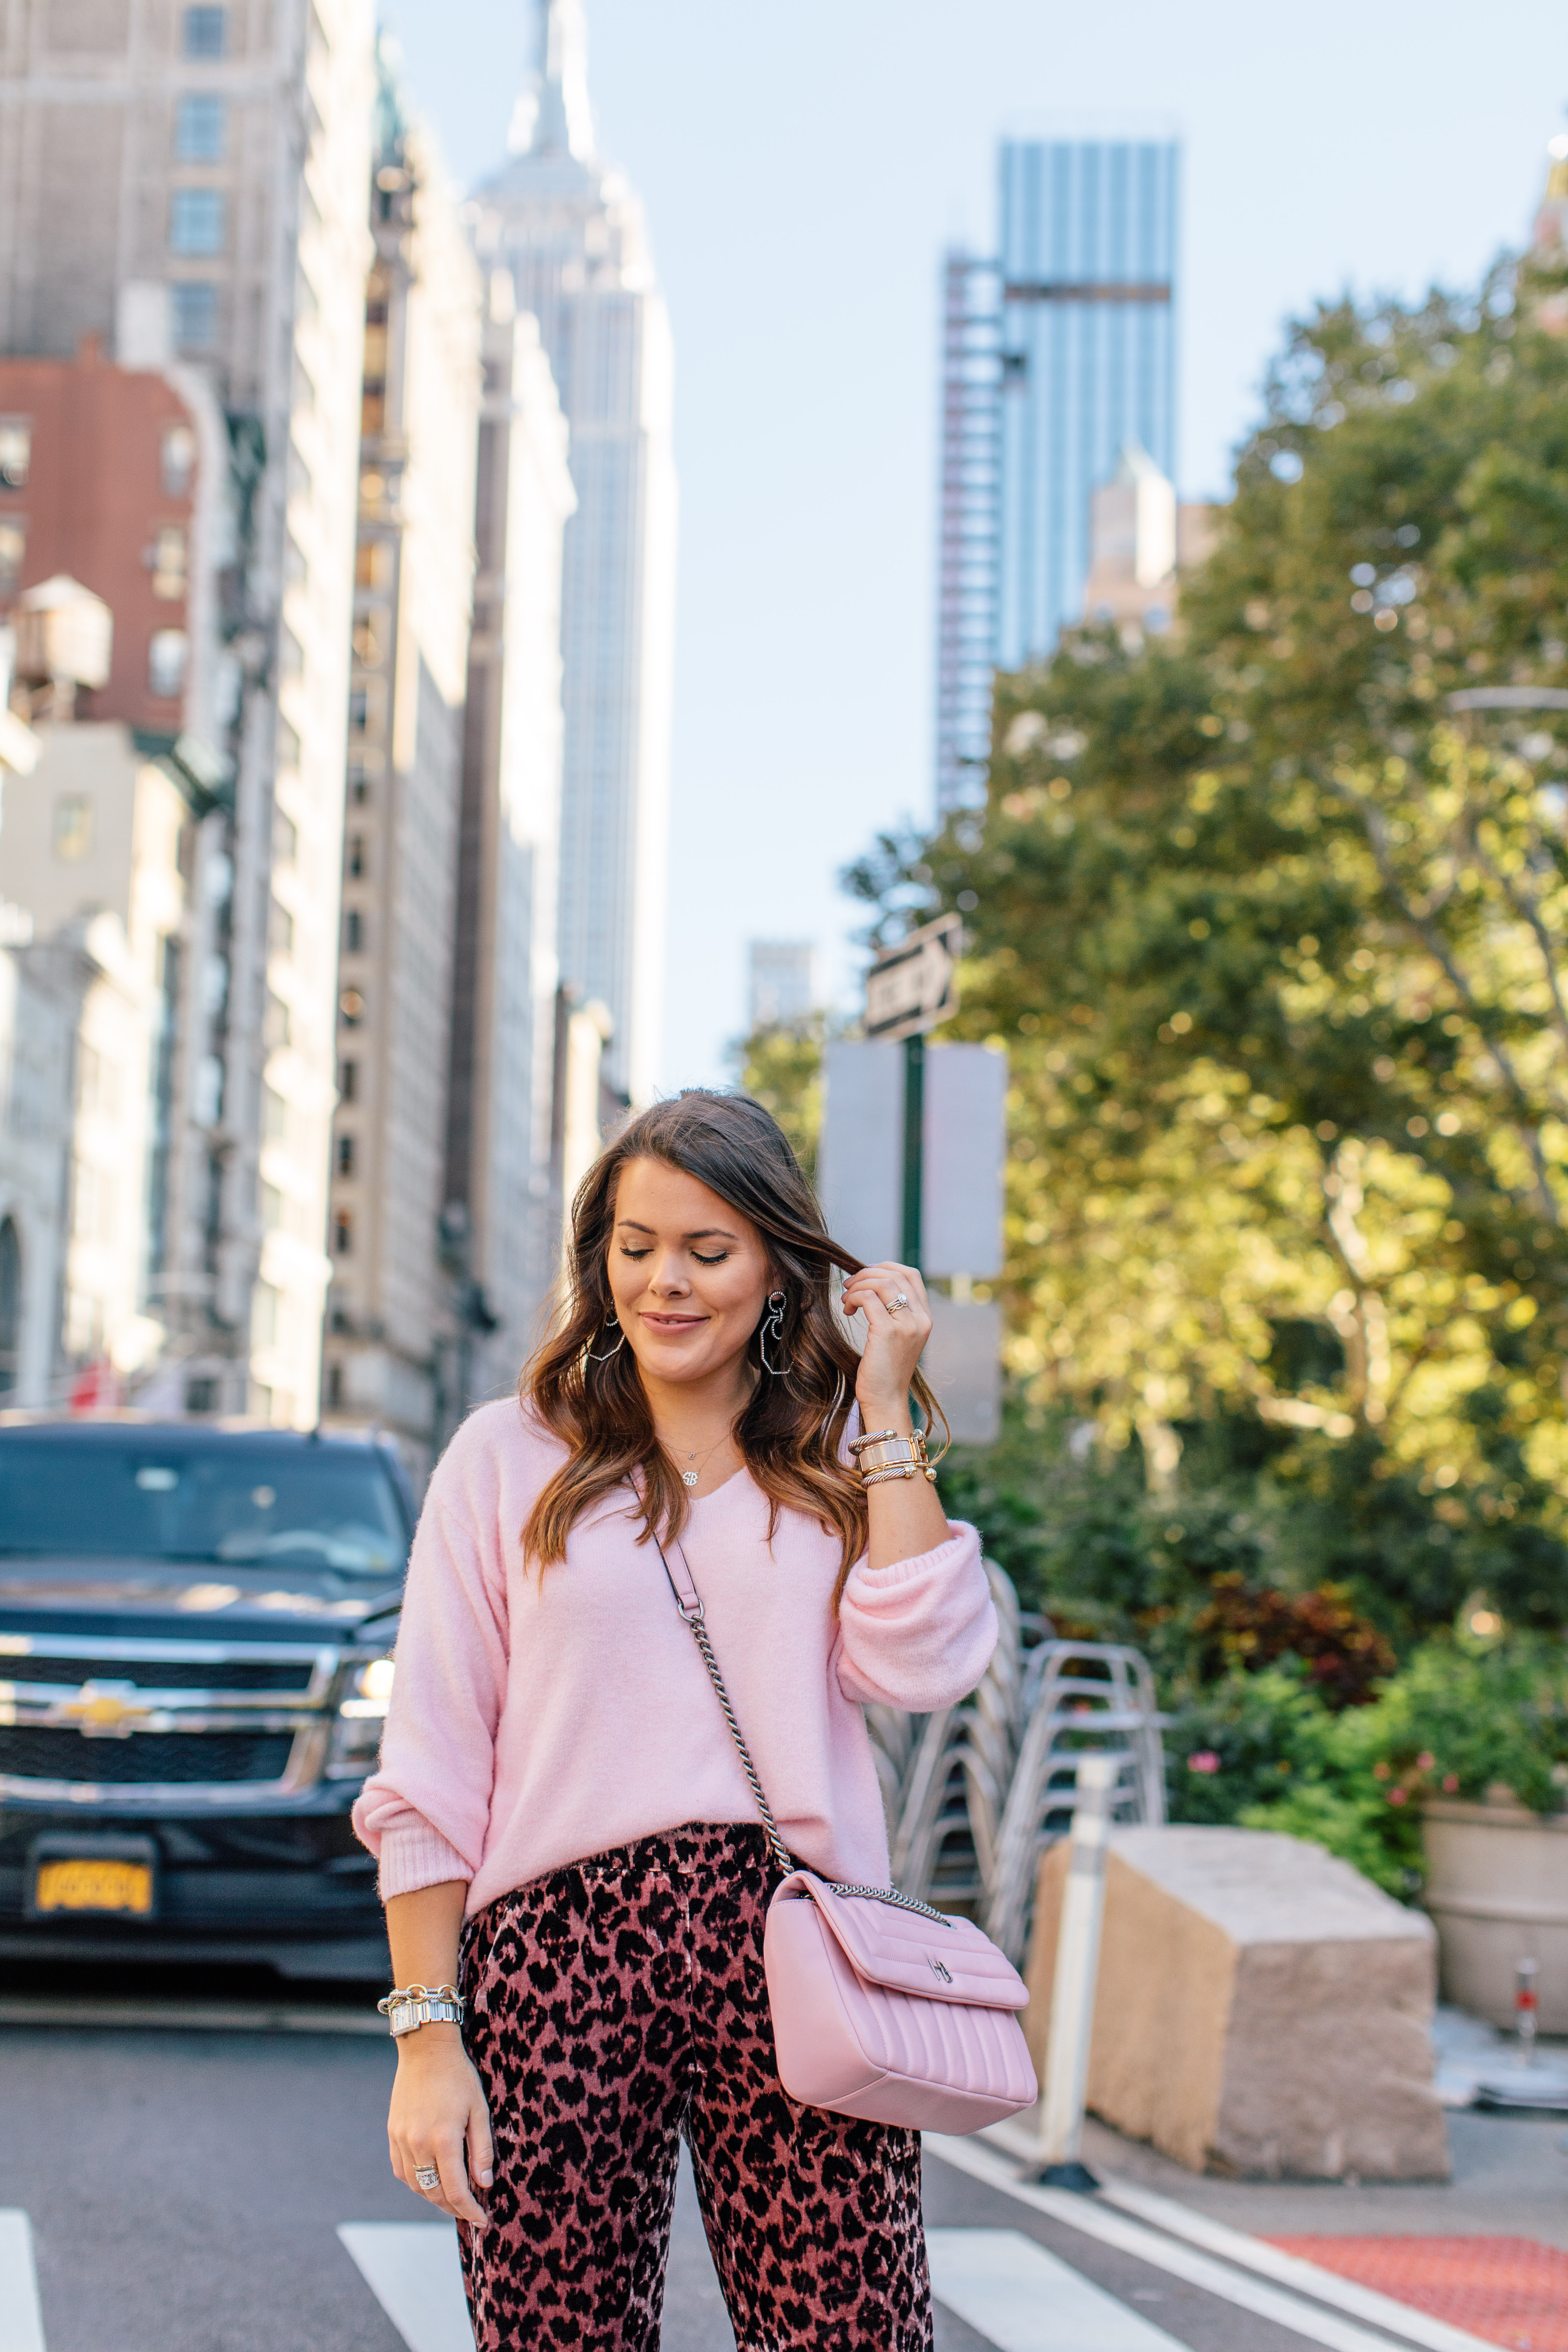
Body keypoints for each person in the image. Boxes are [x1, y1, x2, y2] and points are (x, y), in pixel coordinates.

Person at [352, 1088, 996, 2352]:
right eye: (637, 1247)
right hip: (557, 1949)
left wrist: (885, 1406)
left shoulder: (829, 1455)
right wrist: (428, 2039)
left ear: (774, 1267)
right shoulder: (505, 1457)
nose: (667, 1283)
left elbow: (924, 1662)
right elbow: (430, 1765)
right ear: (600, 1259)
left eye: (709, 1252)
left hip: (796, 1938)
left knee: (852, 2335)